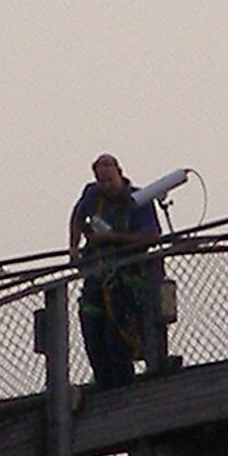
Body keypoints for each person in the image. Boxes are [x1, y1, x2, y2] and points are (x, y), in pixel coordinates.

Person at [69, 154, 161, 389]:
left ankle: (123, 388)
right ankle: (104, 385)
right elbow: (78, 216)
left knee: (116, 337)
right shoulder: (92, 194)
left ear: (119, 172)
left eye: (110, 180)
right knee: (91, 330)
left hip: (126, 279)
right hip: (96, 276)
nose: (106, 186)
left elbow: (151, 236)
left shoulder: (137, 200)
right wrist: (74, 248)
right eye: (102, 181)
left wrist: (111, 238)